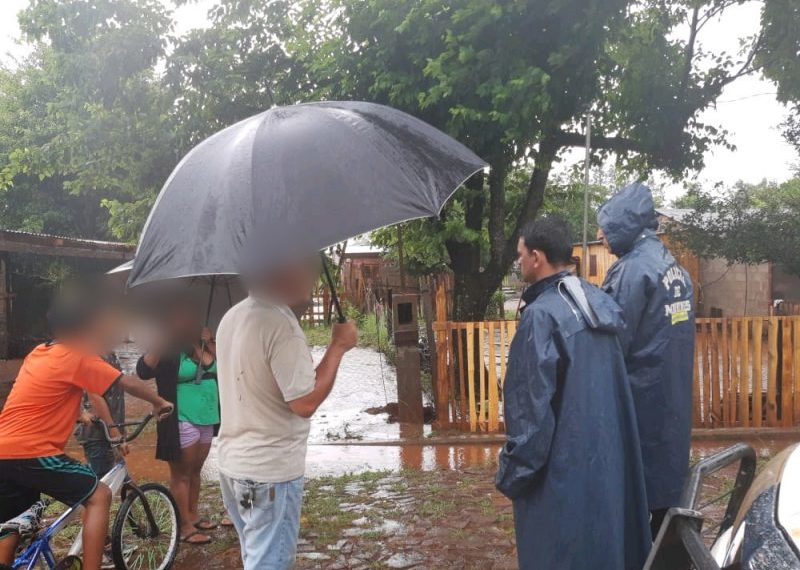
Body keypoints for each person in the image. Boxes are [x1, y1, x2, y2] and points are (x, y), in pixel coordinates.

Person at [495, 217, 651, 570]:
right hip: (609, 462)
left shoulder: (540, 318)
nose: (518, 262)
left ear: (536, 257)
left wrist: (512, 474)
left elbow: (530, 416)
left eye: (520, 255)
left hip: (559, 476)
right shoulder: (599, 304)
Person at [0, 283, 173, 570]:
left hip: (3, 449)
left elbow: (43, 390)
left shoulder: (40, 352)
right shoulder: (78, 355)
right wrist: (158, 402)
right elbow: (126, 381)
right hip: (32, 451)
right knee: (100, 495)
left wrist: (78, 412)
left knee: (14, 516)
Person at [215, 257, 358, 570]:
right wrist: (337, 347)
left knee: (257, 556)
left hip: (234, 467)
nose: (313, 277)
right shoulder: (279, 324)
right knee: (269, 563)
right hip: (269, 474)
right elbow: (304, 403)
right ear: (285, 271)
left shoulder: (233, 317)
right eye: (307, 267)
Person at [597, 183, 696, 538]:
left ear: (625, 224)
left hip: (640, 399)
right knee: (667, 483)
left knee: (638, 492)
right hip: (671, 396)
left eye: (606, 228)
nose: (601, 236)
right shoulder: (674, 268)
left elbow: (611, 340)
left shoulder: (631, 272)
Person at [137, 302, 220, 545]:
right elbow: (142, 371)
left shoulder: (201, 341)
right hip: (180, 417)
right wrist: (165, 337)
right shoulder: (167, 347)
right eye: (180, 317)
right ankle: (183, 526)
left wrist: (209, 341)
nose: (186, 321)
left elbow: (221, 366)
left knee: (196, 470)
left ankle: (193, 516)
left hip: (207, 414)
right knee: (181, 473)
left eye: (189, 317)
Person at [76, 352, 128, 478]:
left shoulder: (109, 353)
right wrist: (115, 433)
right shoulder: (93, 354)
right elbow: (94, 397)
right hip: (98, 433)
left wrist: (120, 428)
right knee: (101, 486)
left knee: (120, 477)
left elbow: (115, 395)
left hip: (108, 432)